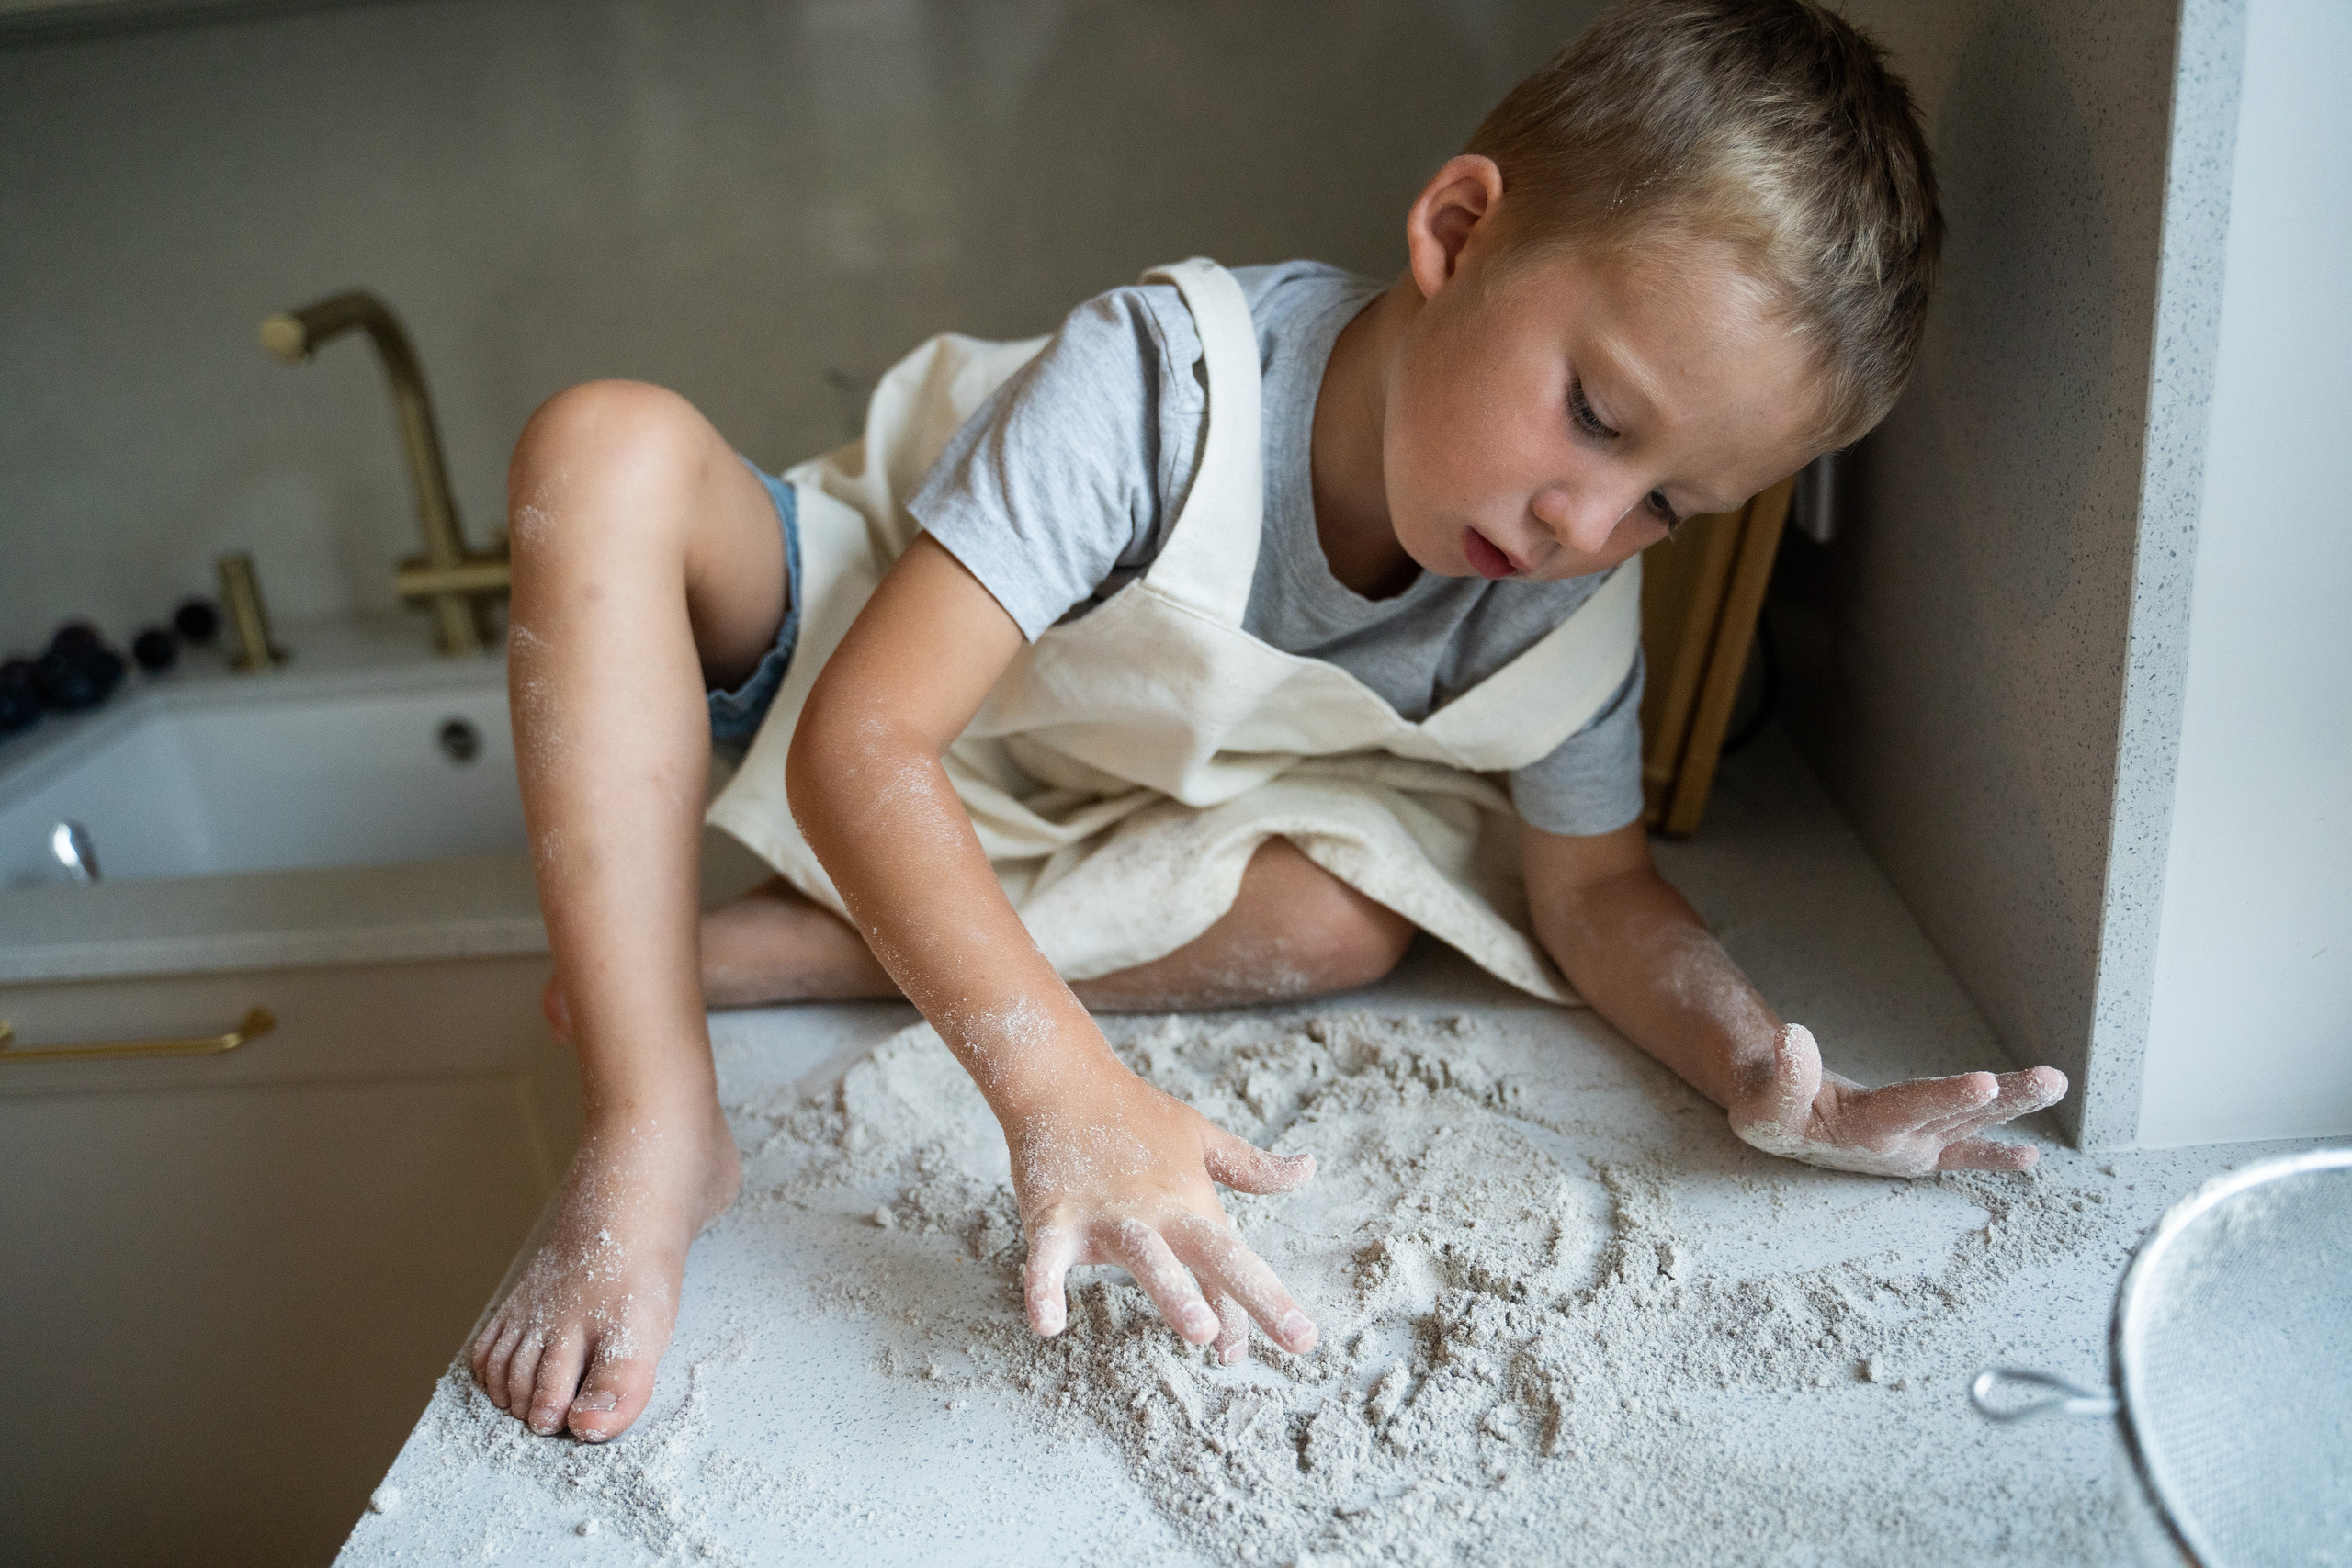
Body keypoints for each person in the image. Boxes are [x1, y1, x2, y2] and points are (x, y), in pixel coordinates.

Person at [469, 0, 2068, 1444]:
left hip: (1079, 814)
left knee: (1354, 915)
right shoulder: (1159, 389)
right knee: (600, 441)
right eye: (1593, 415)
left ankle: (808, 947)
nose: (1589, 520)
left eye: (1672, 503)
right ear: (1456, 231)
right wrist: (1065, 1089)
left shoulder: (1561, 583)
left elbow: (1595, 894)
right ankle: (655, 1105)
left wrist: (1761, 1067)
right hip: (857, 668)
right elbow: (858, 749)